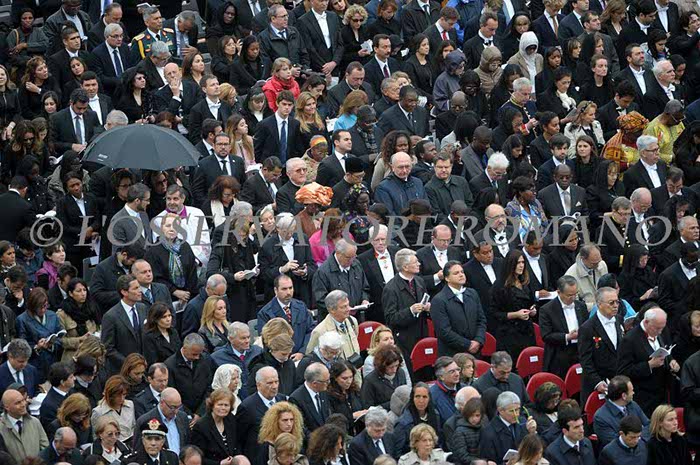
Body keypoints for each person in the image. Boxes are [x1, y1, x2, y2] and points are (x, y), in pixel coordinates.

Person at [618, 306, 680, 416]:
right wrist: (649, 365)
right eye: (657, 328)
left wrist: (671, 361)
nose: (660, 332)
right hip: (643, 398)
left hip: (662, 394)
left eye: (662, 328)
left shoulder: (660, 330)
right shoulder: (629, 340)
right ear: (646, 322)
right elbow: (624, 371)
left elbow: (664, 351)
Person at [539, 276, 588, 379]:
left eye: (575, 294)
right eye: (570, 295)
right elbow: (546, 336)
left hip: (579, 353)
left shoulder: (581, 306)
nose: (573, 298)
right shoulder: (547, 309)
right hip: (559, 356)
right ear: (559, 292)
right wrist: (567, 337)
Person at [236, 366, 287, 457]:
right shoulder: (247, 407)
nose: (275, 386)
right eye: (270, 383)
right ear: (258, 385)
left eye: (276, 382)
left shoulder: (283, 400)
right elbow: (239, 438)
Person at [311, 241, 370, 320]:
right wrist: (342, 309)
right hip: (334, 321)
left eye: (354, 256)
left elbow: (365, 287)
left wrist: (364, 299)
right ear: (338, 253)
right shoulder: (323, 272)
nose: (351, 260)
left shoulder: (356, 265)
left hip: (357, 318)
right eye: (348, 257)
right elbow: (320, 299)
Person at [164, 333, 217, 418]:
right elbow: (172, 393)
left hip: (203, 413)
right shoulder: (170, 365)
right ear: (184, 348)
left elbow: (210, 387)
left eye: (199, 353)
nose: (197, 357)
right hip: (181, 415)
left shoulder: (205, 360)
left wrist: (200, 413)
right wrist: (189, 415)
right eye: (194, 354)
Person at [479, 391, 538, 463]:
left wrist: (532, 433)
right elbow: (488, 461)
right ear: (500, 410)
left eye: (518, 409)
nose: (516, 414)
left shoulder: (523, 423)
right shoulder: (488, 433)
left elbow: (533, 450)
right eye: (512, 411)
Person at [593, 375, 650, 445]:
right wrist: (639, 438)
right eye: (632, 391)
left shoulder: (632, 405)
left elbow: (648, 426)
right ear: (624, 396)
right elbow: (615, 444)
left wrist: (639, 439)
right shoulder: (600, 418)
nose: (633, 393)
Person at [210, 322, 262, 398]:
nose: (247, 341)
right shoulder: (217, 357)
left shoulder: (258, 352)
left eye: (248, 337)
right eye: (243, 338)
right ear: (231, 339)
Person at [0, 388, 49, 460]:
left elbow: (45, 448)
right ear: (7, 407)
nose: (23, 404)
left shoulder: (35, 422)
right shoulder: (1, 427)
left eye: (23, 400)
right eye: (18, 403)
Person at [247, 332, 297, 396]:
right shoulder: (260, 366)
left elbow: (295, 384)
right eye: (283, 354)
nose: (286, 357)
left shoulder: (290, 363)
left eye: (289, 353)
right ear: (274, 350)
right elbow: (252, 390)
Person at [91, 375, 136, 442]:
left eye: (124, 394)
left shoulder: (130, 404)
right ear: (110, 394)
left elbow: (133, 426)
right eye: (118, 395)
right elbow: (96, 437)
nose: (122, 398)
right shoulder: (99, 411)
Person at [289, 363, 332, 432]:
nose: (328, 383)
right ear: (314, 383)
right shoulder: (296, 399)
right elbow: (301, 427)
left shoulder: (323, 391)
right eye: (326, 381)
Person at [327, 360, 366, 434]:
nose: (349, 381)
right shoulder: (329, 396)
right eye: (344, 378)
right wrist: (352, 416)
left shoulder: (355, 390)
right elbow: (333, 420)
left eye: (351, 377)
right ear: (335, 378)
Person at [142, 302, 181, 367]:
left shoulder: (173, 331)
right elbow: (152, 362)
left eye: (169, 315)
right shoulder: (149, 337)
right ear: (156, 319)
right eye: (164, 317)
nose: (168, 319)